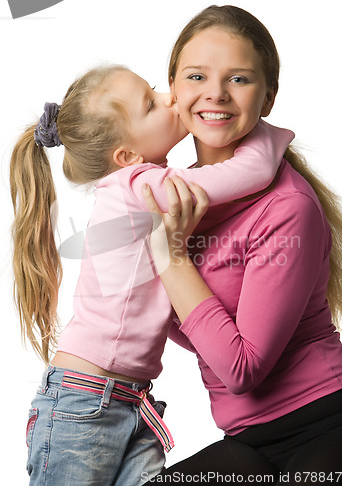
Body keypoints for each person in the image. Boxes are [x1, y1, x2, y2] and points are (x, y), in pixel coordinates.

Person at [10, 62, 293, 485]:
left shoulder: (147, 191)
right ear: (127, 156)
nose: (169, 99)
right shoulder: (139, 186)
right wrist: (265, 131)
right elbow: (250, 173)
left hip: (128, 400)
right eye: (150, 104)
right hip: (84, 400)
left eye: (157, 90)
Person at [142, 5, 342, 485]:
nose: (215, 93)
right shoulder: (182, 198)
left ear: (267, 98)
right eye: (196, 76)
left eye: (238, 79)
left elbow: (241, 368)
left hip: (324, 425)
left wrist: (170, 257)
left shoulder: (287, 207)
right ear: (173, 90)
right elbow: (202, 333)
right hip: (247, 441)